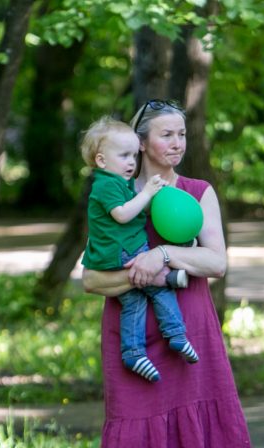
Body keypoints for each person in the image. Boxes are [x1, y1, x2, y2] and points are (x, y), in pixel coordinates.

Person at [82, 99, 259, 448]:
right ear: (141, 142)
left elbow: (217, 262)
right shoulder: (114, 198)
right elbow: (92, 280)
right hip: (131, 335)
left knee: (186, 424)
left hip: (188, 324)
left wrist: (160, 253)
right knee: (129, 427)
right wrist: (134, 277)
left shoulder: (199, 193)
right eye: (166, 135)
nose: (177, 144)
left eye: (181, 134)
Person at [80, 117, 199, 382]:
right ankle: (176, 332)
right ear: (101, 160)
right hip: (122, 252)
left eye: (134, 155)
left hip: (123, 249)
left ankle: (134, 352)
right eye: (124, 155)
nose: (132, 162)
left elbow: (136, 213)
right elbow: (123, 215)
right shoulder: (106, 184)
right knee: (156, 288)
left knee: (133, 302)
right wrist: (147, 193)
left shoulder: (116, 183)